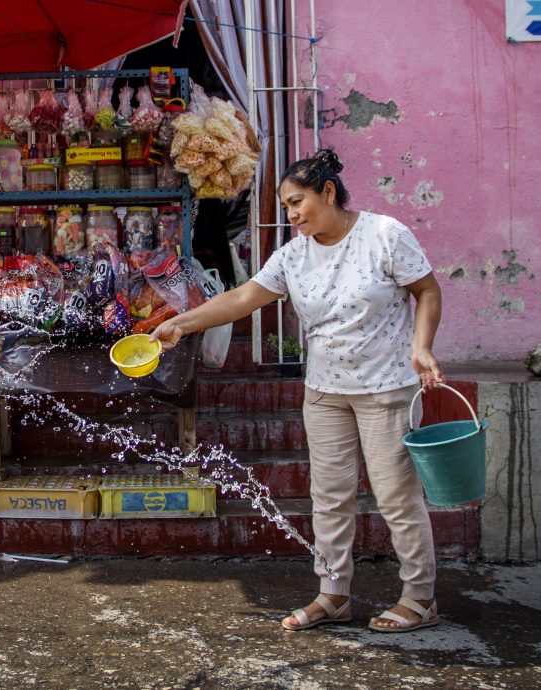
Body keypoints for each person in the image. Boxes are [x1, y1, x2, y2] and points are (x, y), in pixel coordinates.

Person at [150, 149, 445, 633]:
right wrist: (181, 322)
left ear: (328, 192)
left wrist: (422, 346)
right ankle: (334, 595)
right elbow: (244, 297)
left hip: (386, 389)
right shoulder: (293, 255)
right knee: (328, 498)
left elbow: (427, 290)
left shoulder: (385, 235)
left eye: (297, 202)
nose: (291, 215)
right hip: (326, 393)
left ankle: (420, 597)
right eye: (286, 207)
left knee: (396, 498)